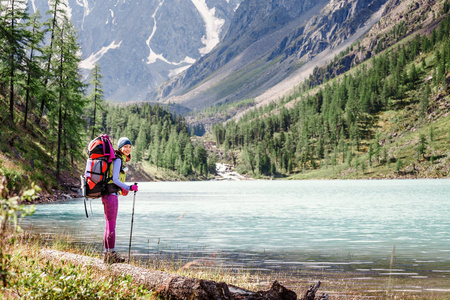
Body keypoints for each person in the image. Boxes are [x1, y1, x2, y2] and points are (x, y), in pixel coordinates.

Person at [102, 137, 138, 264]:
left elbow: (115, 180)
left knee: (108, 225)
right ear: (120, 148)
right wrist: (129, 187)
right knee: (111, 226)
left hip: (109, 194)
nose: (128, 149)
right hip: (111, 195)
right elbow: (116, 179)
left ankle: (107, 254)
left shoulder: (118, 159)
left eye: (129, 146)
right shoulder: (117, 160)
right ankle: (111, 255)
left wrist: (122, 189)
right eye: (125, 146)